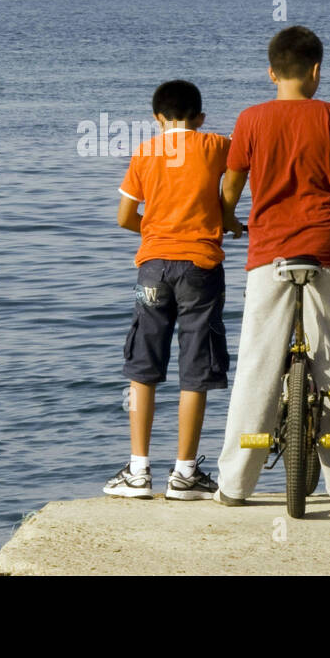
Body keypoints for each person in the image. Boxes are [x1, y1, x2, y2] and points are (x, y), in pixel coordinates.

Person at [215, 25, 330, 506]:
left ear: (271, 72)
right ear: (316, 70)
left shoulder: (250, 120)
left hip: (269, 254)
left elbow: (229, 191)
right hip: (328, 250)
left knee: (257, 366)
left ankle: (235, 484)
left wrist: (231, 222)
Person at [104, 80, 242, 500]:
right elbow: (235, 179)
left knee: (143, 367)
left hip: (153, 268)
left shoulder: (146, 152)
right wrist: (224, 221)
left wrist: (160, 228)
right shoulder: (218, 145)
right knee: (195, 369)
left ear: (157, 119)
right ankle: (184, 473)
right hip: (201, 268)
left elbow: (125, 216)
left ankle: (138, 470)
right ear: (200, 117)